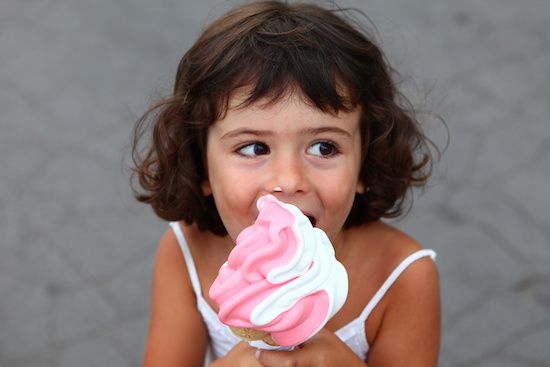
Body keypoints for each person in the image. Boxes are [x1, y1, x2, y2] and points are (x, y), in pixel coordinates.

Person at [131, 1, 441, 366]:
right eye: (254, 147)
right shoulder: (185, 252)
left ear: (365, 163)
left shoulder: (403, 276)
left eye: (324, 147)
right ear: (200, 167)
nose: (289, 180)